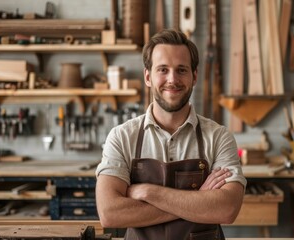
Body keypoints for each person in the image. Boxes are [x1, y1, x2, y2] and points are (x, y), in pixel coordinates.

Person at [95, 29, 246, 240]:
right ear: (148, 77)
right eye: (163, 69)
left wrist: (149, 192)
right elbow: (110, 213)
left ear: (194, 76)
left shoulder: (219, 137)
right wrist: (199, 200)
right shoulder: (121, 137)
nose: (172, 79)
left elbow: (227, 209)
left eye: (181, 70)